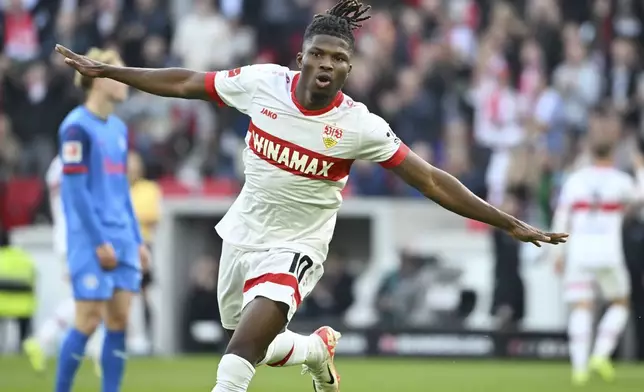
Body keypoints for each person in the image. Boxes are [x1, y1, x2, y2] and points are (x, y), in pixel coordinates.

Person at [55, 1, 567, 391]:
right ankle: (316, 351)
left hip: (300, 243)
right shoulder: (261, 84)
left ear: (349, 68)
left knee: (237, 357)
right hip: (245, 231)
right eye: (318, 53)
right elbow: (190, 81)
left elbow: (431, 179)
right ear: (301, 57)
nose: (326, 63)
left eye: (338, 58)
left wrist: (508, 222)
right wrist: (109, 72)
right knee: (251, 338)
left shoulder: (359, 125)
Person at [52, 48, 150, 392]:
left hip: (122, 237)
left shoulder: (119, 130)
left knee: (119, 319)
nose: (124, 81)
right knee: (88, 319)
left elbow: (122, 190)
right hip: (92, 239)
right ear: (99, 80)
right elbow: (76, 193)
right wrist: (98, 242)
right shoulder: (76, 128)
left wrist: (137, 240)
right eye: (118, 73)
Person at [551, 113, 641, 386]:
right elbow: (641, 196)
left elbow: (561, 217)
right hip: (608, 252)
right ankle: (600, 354)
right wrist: (640, 167)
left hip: (579, 251)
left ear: (590, 151)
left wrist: (557, 253)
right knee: (620, 302)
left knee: (581, 306)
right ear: (613, 153)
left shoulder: (576, 180)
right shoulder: (619, 181)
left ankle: (579, 369)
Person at [22, 156, 103, 376]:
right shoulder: (78, 163)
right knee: (87, 297)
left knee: (91, 297)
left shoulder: (56, 166)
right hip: (77, 240)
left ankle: (95, 354)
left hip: (66, 238)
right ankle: (43, 339)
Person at [127, 151, 161, 351]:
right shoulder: (117, 188)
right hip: (120, 246)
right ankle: (129, 338)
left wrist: (127, 218)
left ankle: (145, 339)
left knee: (143, 292)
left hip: (142, 245)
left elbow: (153, 216)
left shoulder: (149, 189)